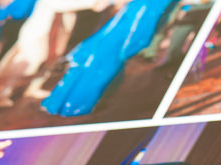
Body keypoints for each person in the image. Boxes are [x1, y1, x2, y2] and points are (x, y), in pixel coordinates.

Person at [41, 0, 176, 117]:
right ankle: (64, 104)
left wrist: (130, 47)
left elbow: (143, 25)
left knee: (96, 66)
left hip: (121, 36)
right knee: (91, 63)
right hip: (117, 32)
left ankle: (72, 106)